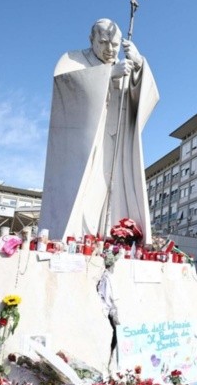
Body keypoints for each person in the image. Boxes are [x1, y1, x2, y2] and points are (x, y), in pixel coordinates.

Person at [40, 18, 159, 242]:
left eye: (114, 44)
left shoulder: (124, 64)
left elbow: (145, 100)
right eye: (103, 42)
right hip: (87, 143)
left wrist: (139, 66)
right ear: (91, 39)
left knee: (115, 191)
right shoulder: (73, 60)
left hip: (118, 141)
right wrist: (108, 74)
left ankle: (115, 237)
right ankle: (78, 237)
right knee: (87, 193)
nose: (110, 49)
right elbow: (66, 85)